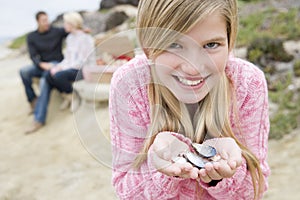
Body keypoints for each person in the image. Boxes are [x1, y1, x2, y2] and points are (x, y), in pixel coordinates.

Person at [109, 0, 270, 199]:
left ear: (230, 42)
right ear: (148, 47)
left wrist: (224, 175)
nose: (193, 68)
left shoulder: (247, 83)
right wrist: (159, 169)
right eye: (174, 45)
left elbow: (255, 189)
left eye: (211, 45)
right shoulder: (130, 84)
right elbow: (126, 191)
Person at [25, 12, 95, 134]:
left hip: (83, 69)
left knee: (57, 75)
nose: (64, 25)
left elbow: (82, 61)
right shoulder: (69, 38)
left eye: (66, 23)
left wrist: (61, 68)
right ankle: (67, 95)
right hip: (69, 66)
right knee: (48, 74)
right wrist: (59, 67)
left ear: (72, 24)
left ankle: (73, 96)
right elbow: (67, 59)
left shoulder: (85, 38)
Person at [20, 11, 68, 115]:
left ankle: (39, 117)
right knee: (23, 71)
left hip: (56, 63)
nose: (47, 23)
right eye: (44, 21)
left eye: (47, 20)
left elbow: (71, 30)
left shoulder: (57, 31)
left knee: (43, 81)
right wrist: (41, 64)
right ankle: (33, 100)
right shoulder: (32, 37)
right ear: (38, 21)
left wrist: (83, 29)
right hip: (42, 65)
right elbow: (33, 56)